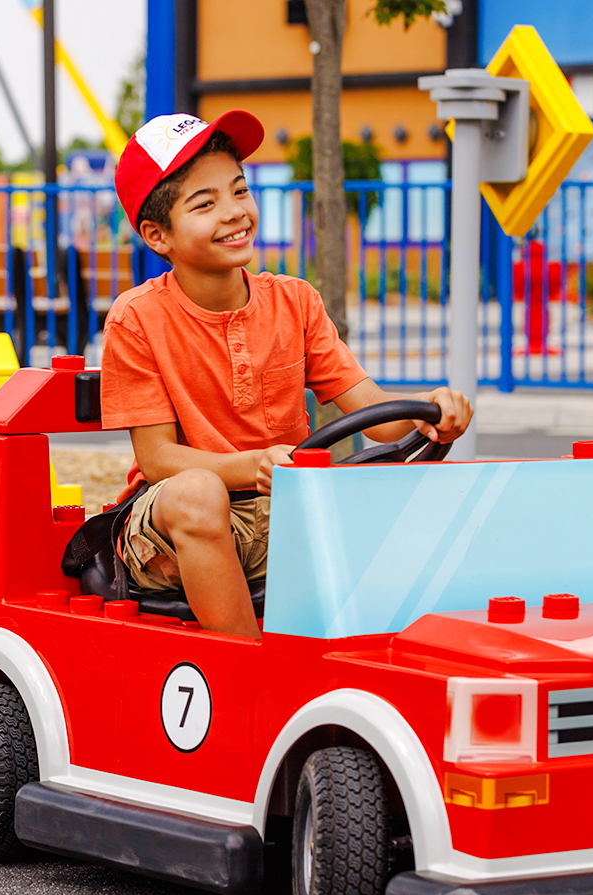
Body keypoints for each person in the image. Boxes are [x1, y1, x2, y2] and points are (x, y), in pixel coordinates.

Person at [100, 112, 474, 638]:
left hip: (286, 504)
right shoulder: (137, 319)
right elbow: (158, 460)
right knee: (198, 493)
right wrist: (255, 463)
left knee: (420, 512)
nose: (234, 213)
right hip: (173, 527)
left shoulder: (295, 302)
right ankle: (245, 673)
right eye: (205, 204)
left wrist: (436, 411)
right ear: (157, 235)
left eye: (239, 191)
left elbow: (377, 416)